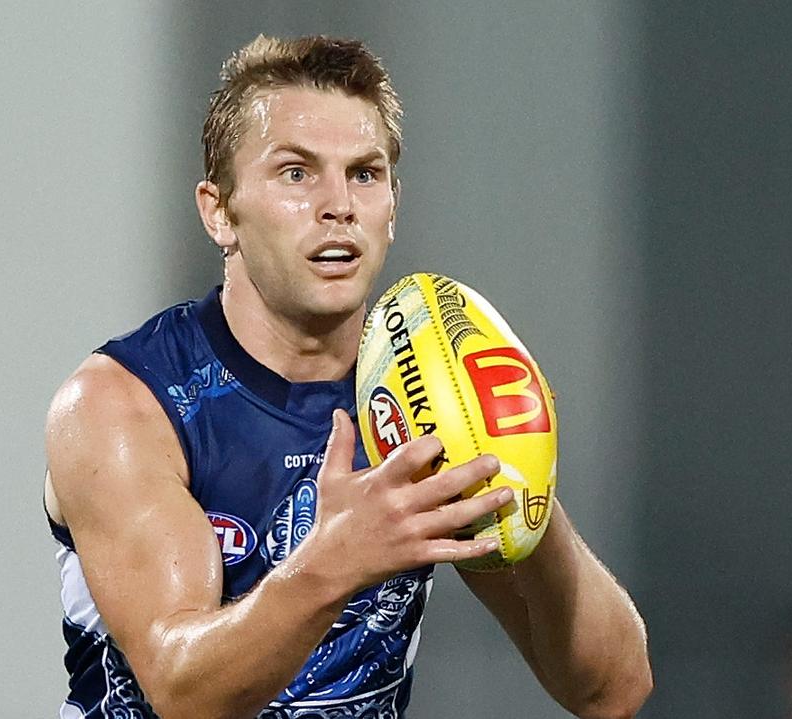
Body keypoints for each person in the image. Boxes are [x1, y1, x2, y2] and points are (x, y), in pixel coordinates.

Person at [44, 34, 652, 719]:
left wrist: (525, 486)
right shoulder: (125, 402)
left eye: (364, 173)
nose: (338, 204)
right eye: (296, 173)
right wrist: (336, 559)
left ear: (392, 204)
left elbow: (612, 691)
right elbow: (185, 691)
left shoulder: (423, 397)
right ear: (220, 212)